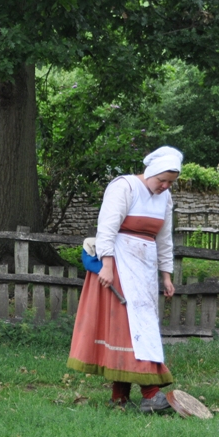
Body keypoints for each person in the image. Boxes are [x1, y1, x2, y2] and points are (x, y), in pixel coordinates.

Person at [67, 146, 181, 412]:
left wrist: (166, 275)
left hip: (144, 266)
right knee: (130, 330)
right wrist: (106, 264)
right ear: (150, 172)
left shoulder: (165, 198)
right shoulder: (125, 187)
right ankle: (151, 395)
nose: (165, 186)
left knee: (136, 328)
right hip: (118, 265)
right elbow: (107, 226)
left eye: (170, 182)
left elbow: (164, 238)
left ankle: (120, 396)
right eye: (161, 179)